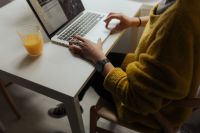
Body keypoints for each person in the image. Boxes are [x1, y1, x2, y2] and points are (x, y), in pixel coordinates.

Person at [48, 0, 200, 132]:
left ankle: (73, 105)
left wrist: (99, 59)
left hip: (154, 110)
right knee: (94, 58)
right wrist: (134, 21)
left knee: (87, 65)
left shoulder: (178, 21)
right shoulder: (184, 6)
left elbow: (138, 100)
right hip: (149, 78)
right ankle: (77, 101)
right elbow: (165, 18)